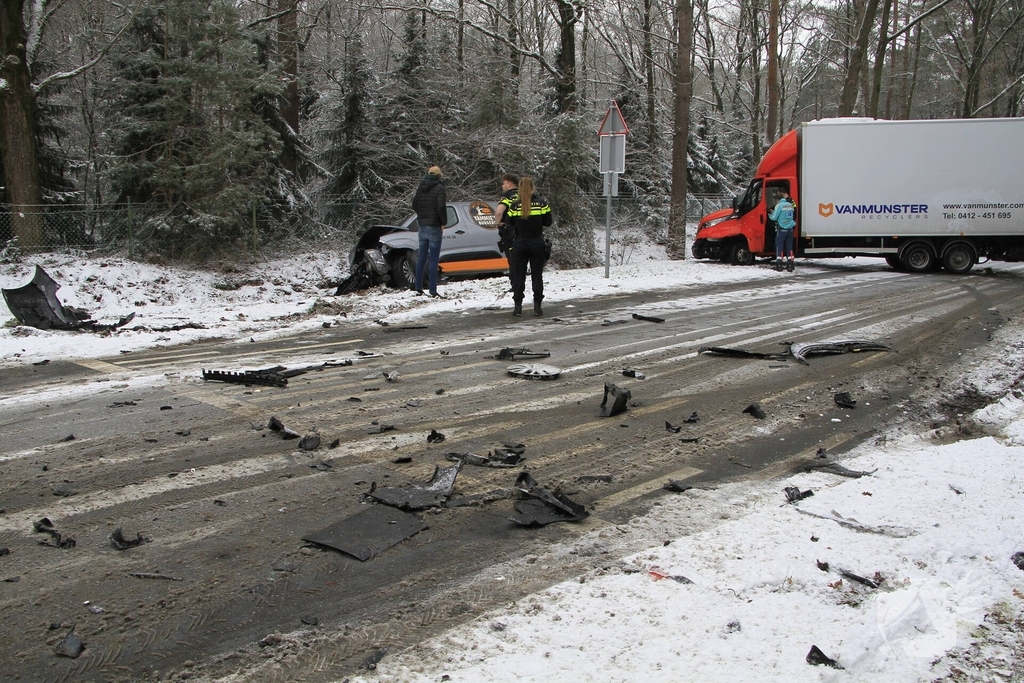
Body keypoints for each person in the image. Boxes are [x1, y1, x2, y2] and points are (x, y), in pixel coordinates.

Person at [505, 176, 552, 317]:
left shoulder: (515, 206)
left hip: (520, 243)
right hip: (537, 243)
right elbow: (548, 222)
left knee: (519, 276)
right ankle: (537, 306)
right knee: (537, 276)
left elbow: (509, 223)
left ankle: (518, 307)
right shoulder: (542, 204)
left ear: (519, 189)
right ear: (533, 188)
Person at [411, 165, 447, 296]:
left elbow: (414, 205)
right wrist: (443, 222)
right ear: (438, 176)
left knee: (422, 258)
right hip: (434, 226)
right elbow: (441, 207)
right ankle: (432, 289)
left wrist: (422, 216)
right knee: (433, 259)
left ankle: (418, 287)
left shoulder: (421, 187)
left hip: (422, 225)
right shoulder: (439, 188)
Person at [494, 174, 519, 290]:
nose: (502, 186)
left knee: (512, 259)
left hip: (509, 231)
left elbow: (499, 212)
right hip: (523, 231)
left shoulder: (507, 197)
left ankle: (515, 284)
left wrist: (497, 223)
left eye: (503, 183)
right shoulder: (524, 195)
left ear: (509, 184)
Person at [769, 189, 796, 271]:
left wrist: (769, 214)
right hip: (790, 229)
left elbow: (774, 217)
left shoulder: (779, 206)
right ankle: (790, 263)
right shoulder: (789, 205)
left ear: (778, 199)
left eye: (775, 201)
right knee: (789, 247)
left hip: (782, 229)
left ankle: (779, 263)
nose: (775, 202)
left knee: (779, 246)